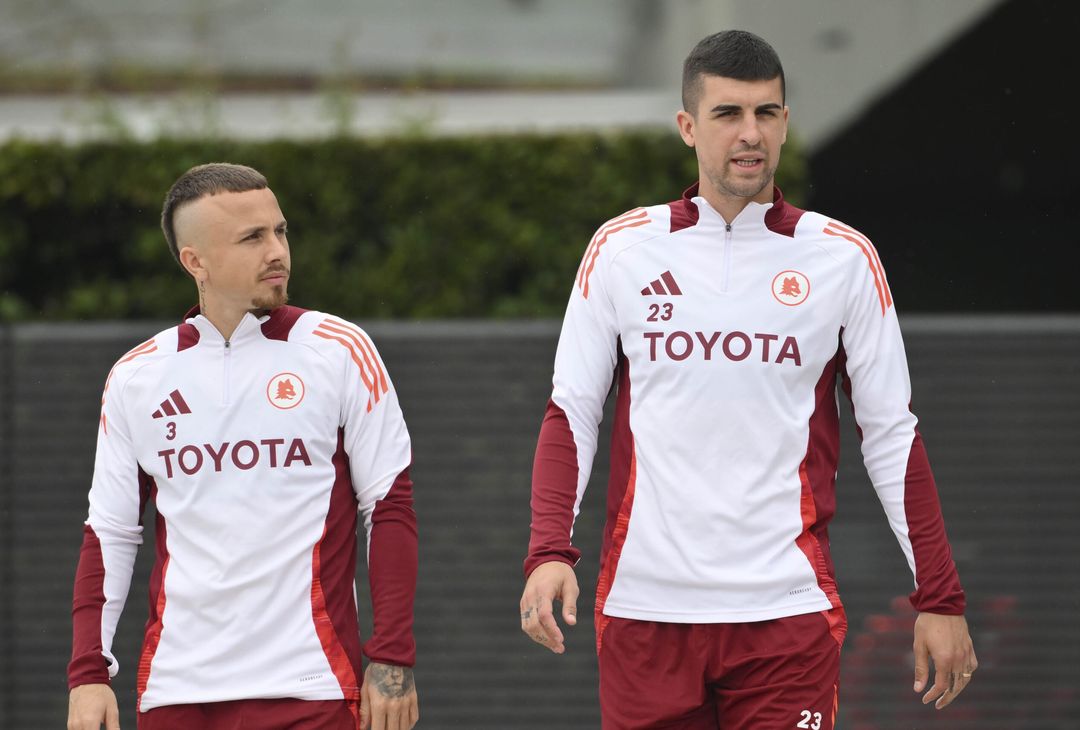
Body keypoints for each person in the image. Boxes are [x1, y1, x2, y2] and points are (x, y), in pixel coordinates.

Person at [519, 29, 977, 730]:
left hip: (786, 616)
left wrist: (939, 597)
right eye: (728, 114)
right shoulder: (621, 248)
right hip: (646, 612)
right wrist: (549, 550)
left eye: (766, 112)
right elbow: (571, 413)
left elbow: (891, 434)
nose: (749, 133)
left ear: (786, 123)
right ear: (687, 127)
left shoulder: (843, 258)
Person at [67, 163, 420, 730]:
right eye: (252, 237)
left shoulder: (340, 349)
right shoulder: (136, 376)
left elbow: (390, 508)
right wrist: (88, 673)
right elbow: (109, 533)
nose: (276, 250)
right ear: (194, 261)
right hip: (177, 694)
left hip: (313, 686)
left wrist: (392, 657)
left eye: (280, 231)